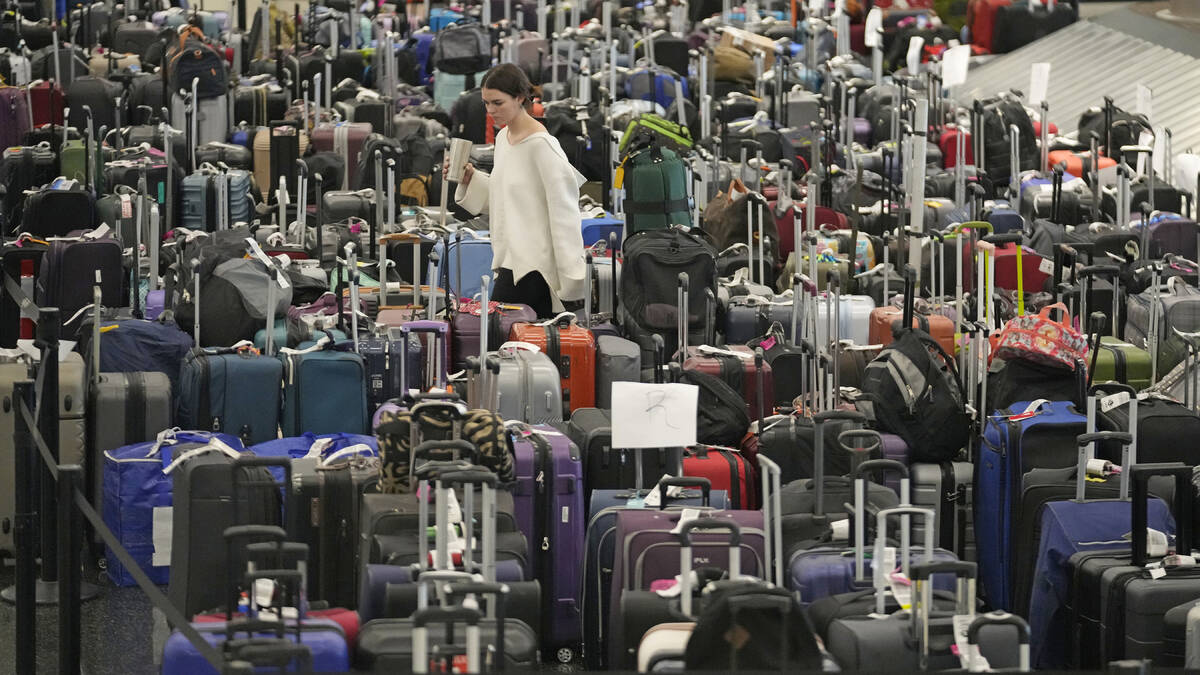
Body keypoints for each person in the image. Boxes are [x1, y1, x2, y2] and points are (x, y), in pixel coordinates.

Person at [445, 63, 586, 318]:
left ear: (520, 97)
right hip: (511, 261)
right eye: (486, 103)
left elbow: (565, 215)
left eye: (497, 103)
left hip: (536, 270)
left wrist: (572, 284)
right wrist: (471, 178)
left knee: (504, 343)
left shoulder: (543, 147)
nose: (490, 111)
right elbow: (505, 199)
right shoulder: (504, 138)